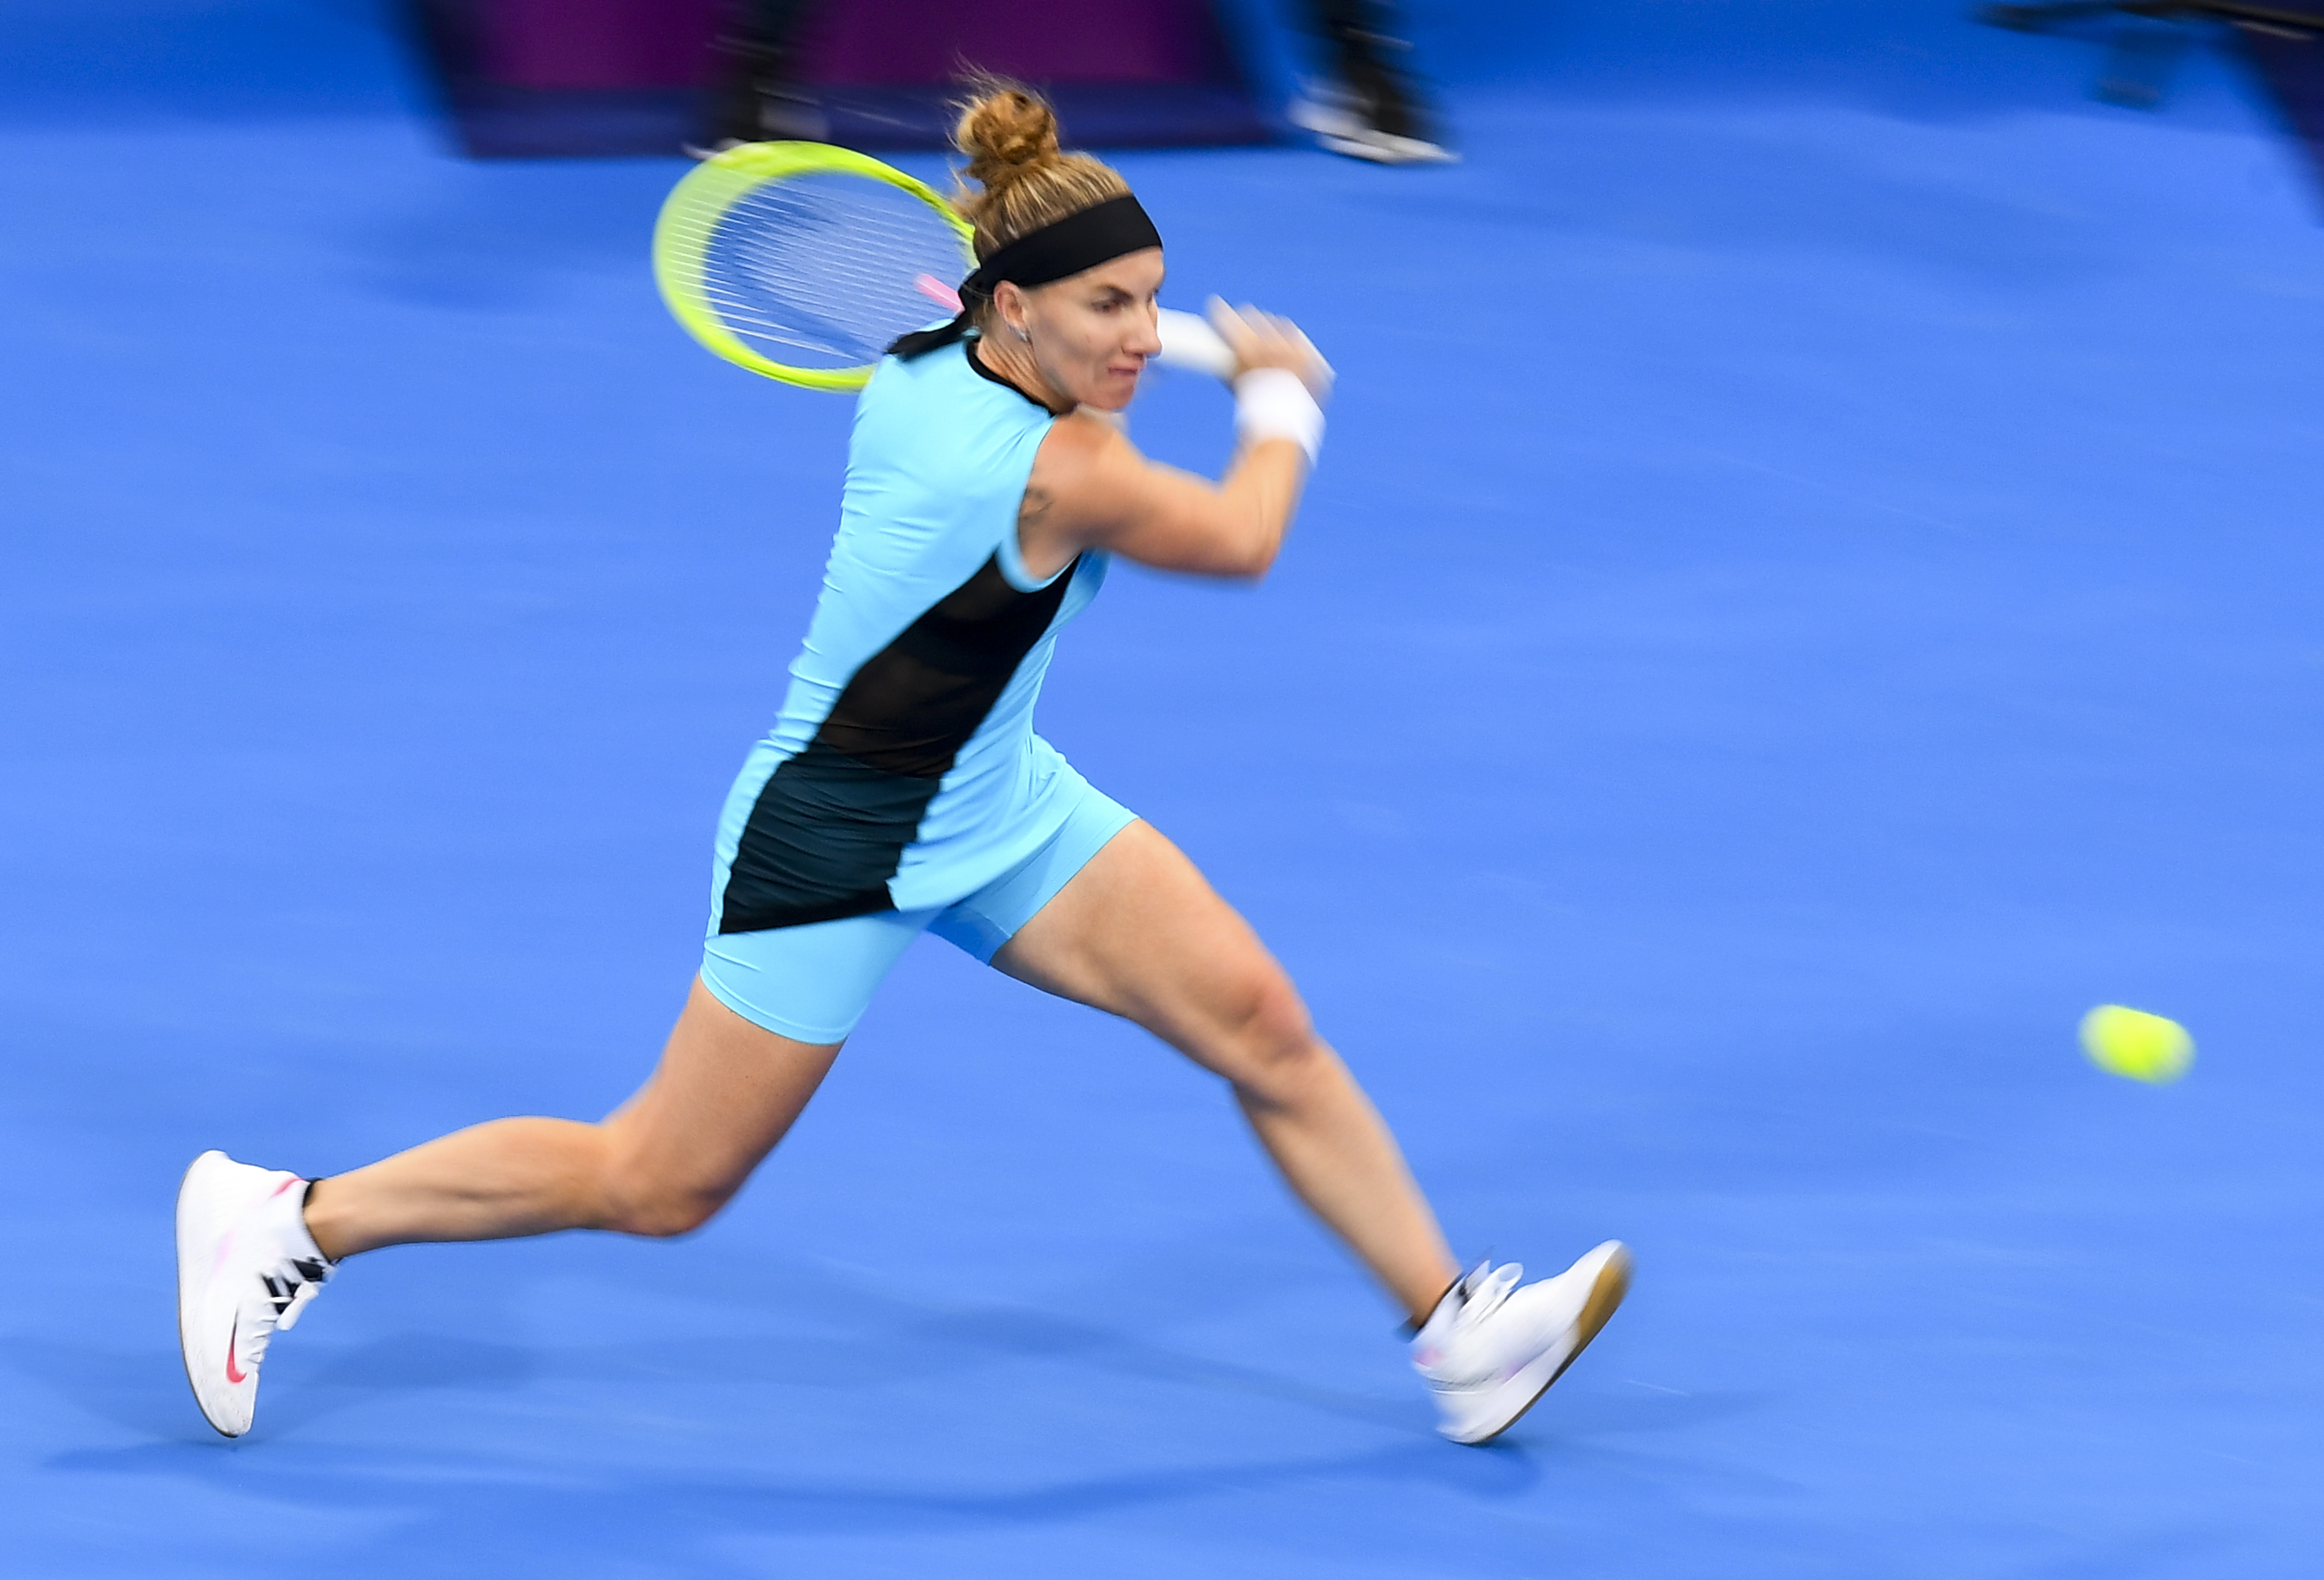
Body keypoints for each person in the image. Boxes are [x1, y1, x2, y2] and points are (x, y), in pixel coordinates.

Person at [174, 82, 1622, 1449]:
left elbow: (1072, 401)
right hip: (838, 846)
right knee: (658, 1182)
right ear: (1011, 308)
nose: (1138, 330)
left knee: (1258, 1019)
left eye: (1150, 299)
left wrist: (1112, 346)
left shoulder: (919, 366)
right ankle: (291, 1220)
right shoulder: (1067, 470)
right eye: (1107, 304)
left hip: (995, 802)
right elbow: (1242, 539)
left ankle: (1459, 1332)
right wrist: (1279, 395)